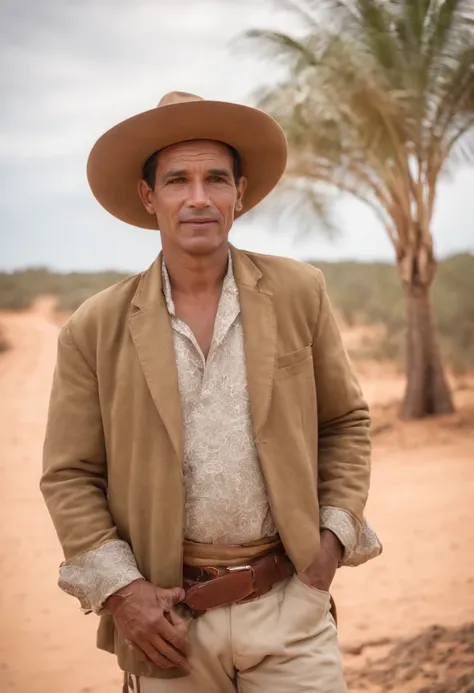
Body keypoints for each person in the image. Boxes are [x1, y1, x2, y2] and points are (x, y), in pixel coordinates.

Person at [41, 91, 382, 693]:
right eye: (177, 180)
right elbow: (70, 476)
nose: (198, 197)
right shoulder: (94, 327)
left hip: (290, 607)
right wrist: (123, 593)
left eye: (215, 179)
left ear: (239, 194)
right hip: (168, 627)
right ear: (151, 197)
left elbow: (346, 422)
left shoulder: (301, 291)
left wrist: (330, 542)